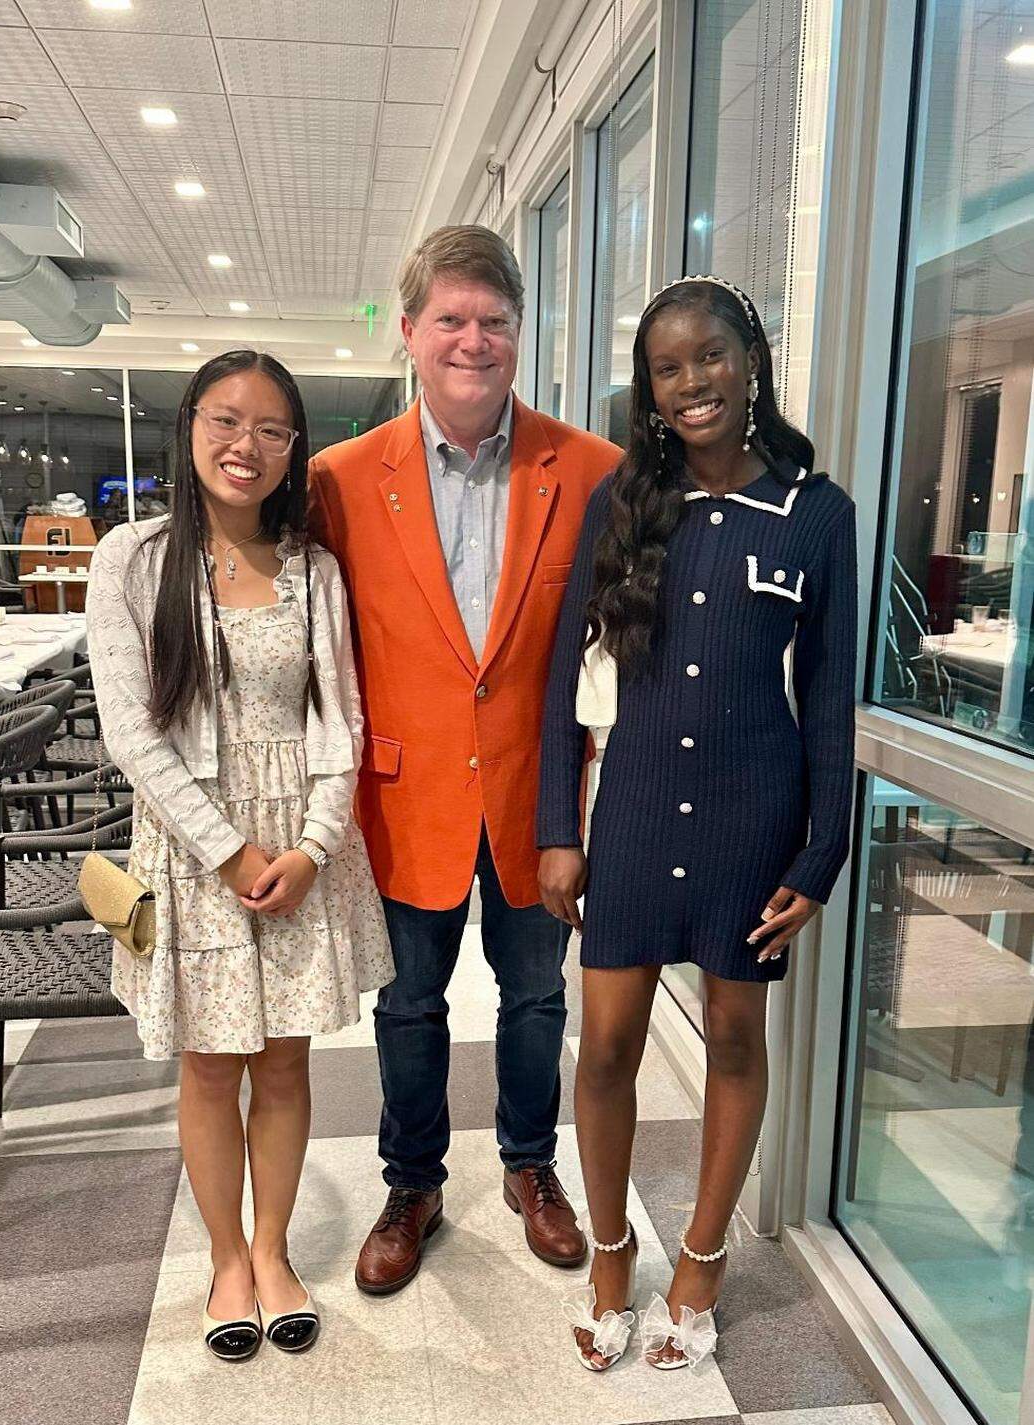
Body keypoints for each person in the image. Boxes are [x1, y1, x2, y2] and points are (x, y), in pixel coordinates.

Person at [538, 276, 857, 1372]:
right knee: (609, 1047)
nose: (692, 383)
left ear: (750, 358)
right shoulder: (624, 503)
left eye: (709, 357)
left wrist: (821, 858)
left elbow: (827, 695)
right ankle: (614, 1257)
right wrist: (556, 828)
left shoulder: (816, 514)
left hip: (751, 819)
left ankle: (702, 1262)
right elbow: (556, 688)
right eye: (668, 369)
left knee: (732, 1037)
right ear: (652, 390)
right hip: (627, 812)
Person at [310, 226, 621, 1294]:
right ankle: (413, 1183)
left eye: (494, 322)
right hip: (404, 797)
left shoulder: (590, 472)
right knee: (408, 1006)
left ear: (519, 335)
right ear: (409, 332)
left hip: (540, 797)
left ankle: (532, 1169)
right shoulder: (341, 481)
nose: (473, 340)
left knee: (537, 1000)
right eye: (451, 319)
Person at [88, 349, 393, 1361]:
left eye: (271, 429)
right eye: (226, 421)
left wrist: (310, 848)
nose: (245, 446)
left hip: (299, 847)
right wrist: (226, 851)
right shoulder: (133, 559)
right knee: (212, 1066)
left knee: (288, 1061)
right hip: (190, 850)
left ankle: (274, 1252)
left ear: (292, 448)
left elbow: (342, 719)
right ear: (190, 427)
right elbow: (131, 734)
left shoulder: (315, 567)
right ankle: (226, 1260)